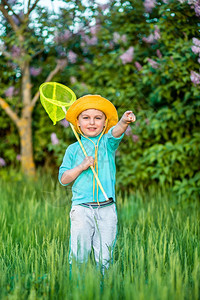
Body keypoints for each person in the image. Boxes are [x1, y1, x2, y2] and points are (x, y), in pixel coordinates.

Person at [58, 94, 136, 271]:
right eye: (86, 118)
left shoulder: (107, 142)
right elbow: (63, 179)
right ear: (77, 123)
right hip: (82, 209)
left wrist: (124, 121)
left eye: (97, 118)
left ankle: (103, 289)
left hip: (107, 209)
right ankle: (77, 290)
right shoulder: (73, 149)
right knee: (79, 254)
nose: (92, 122)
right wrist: (81, 166)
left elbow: (117, 131)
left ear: (104, 122)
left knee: (105, 256)